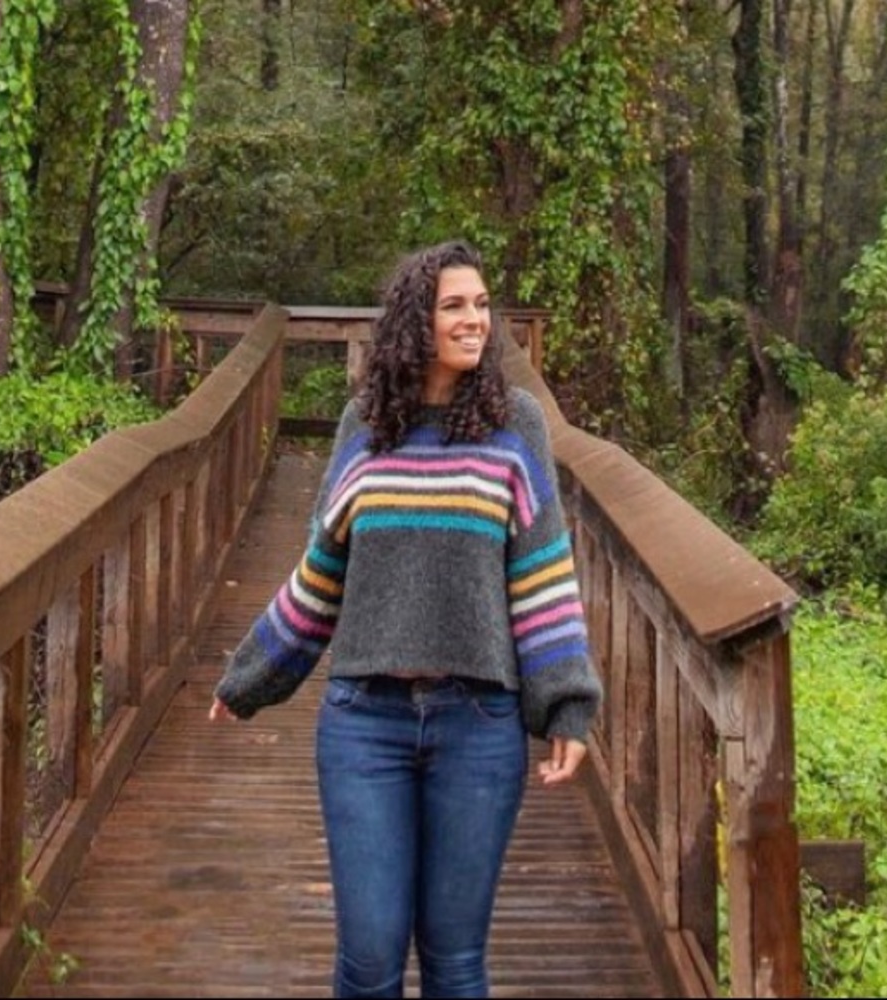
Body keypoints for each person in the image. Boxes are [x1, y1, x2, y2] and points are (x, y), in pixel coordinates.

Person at [209, 239, 602, 999]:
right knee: (370, 960)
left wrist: (567, 706)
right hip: (365, 725)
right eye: (454, 305)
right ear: (413, 321)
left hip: (479, 727)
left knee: (456, 965)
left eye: (483, 305)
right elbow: (322, 573)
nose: (475, 320)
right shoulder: (365, 425)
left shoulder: (516, 425)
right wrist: (251, 675)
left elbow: (543, 576)